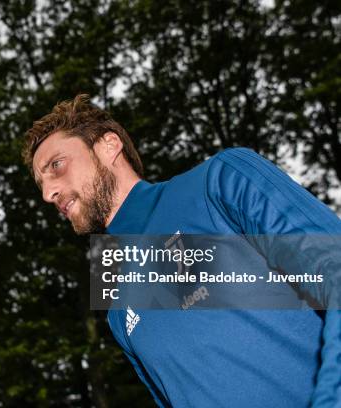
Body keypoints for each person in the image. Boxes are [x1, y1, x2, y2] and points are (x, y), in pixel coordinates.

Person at [22, 94, 341, 407]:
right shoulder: (117, 308)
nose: (48, 193)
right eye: (41, 185)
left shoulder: (218, 181)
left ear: (109, 146)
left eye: (56, 165)